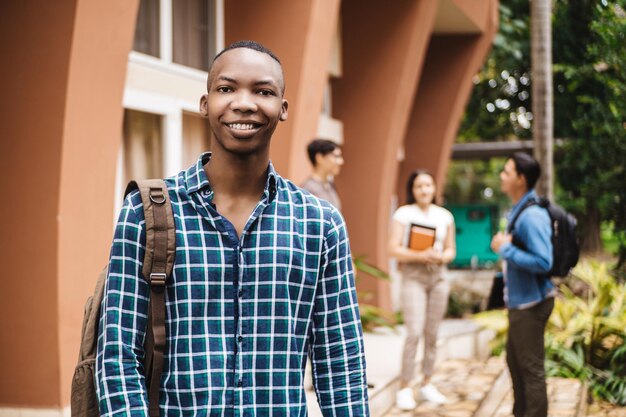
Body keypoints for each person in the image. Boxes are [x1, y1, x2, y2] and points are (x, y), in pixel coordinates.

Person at [96, 40, 370, 416]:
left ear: (282, 108)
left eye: (263, 91)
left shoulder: (319, 224)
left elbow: (340, 359)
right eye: (226, 88)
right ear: (205, 103)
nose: (244, 102)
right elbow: (117, 355)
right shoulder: (146, 213)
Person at [491, 153, 554, 417]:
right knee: (515, 364)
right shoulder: (519, 210)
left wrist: (506, 249)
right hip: (520, 302)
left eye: (506, 172)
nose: (501, 177)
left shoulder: (532, 216)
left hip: (532, 303)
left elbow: (544, 261)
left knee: (530, 369)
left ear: (521, 179)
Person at [388, 170, 456, 410]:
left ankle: (427, 382)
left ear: (435, 188)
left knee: (433, 333)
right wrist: (420, 254)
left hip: (438, 278)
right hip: (413, 277)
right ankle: (405, 386)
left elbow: (451, 251)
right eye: (419, 186)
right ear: (413, 190)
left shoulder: (444, 216)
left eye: (428, 185)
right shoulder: (404, 214)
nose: (425, 190)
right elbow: (393, 249)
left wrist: (439, 257)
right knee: (414, 332)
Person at [300, 139, 344, 210]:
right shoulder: (307, 189)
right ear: (319, 158)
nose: (341, 161)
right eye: (336, 156)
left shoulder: (330, 185)